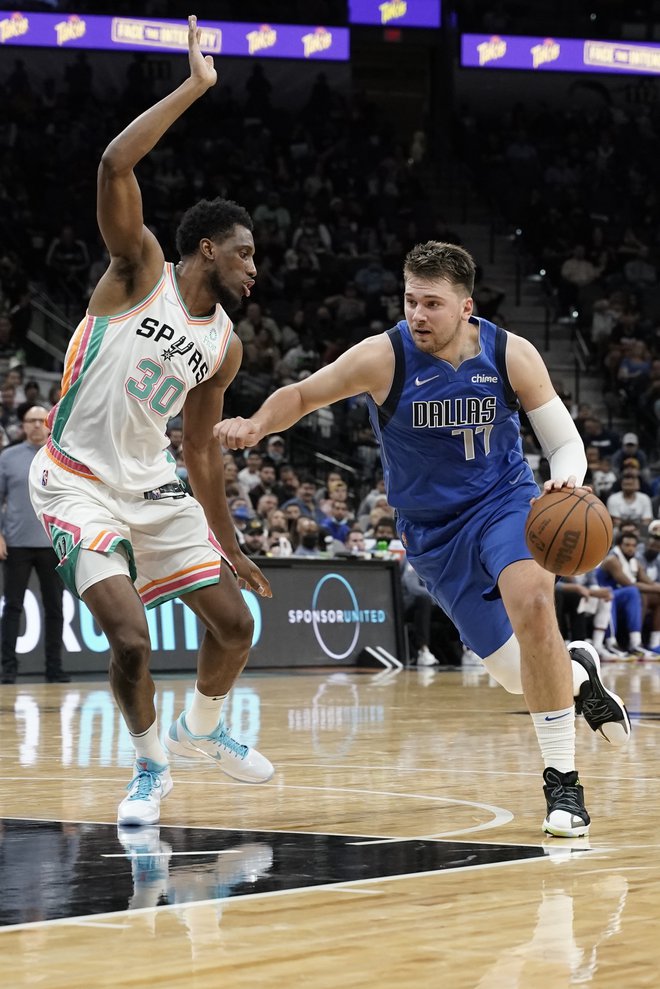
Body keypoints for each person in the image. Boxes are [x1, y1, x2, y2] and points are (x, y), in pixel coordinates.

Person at [216, 240, 631, 838]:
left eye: (432, 303)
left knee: (536, 603)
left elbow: (563, 439)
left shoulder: (511, 353)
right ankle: (581, 674)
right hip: (433, 533)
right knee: (519, 674)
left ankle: (563, 785)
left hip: (505, 502)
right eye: (410, 300)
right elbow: (304, 394)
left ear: (466, 307)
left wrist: (566, 477)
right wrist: (257, 422)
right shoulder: (384, 358)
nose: (417, 314)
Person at [28, 17, 274, 828]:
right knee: (131, 640)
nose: (253, 267)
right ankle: (149, 767)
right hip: (74, 481)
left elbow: (201, 445)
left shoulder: (225, 346)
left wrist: (228, 538)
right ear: (206, 248)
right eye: (243, 253)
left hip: (150, 483)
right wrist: (196, 87)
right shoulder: (139, 269)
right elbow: (114, 162)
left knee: (237, 626)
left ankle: (204, 730)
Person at [0, 405, 68, 684]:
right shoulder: (8, 457)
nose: (37, 425)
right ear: (23, 425)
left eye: (42, 420)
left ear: (49, 424)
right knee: (12, 607)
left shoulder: (61, 457)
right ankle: (7, 668)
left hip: (52, 543)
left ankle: (55, 668)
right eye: (31, 421)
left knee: (55, 608)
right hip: (16, 543)